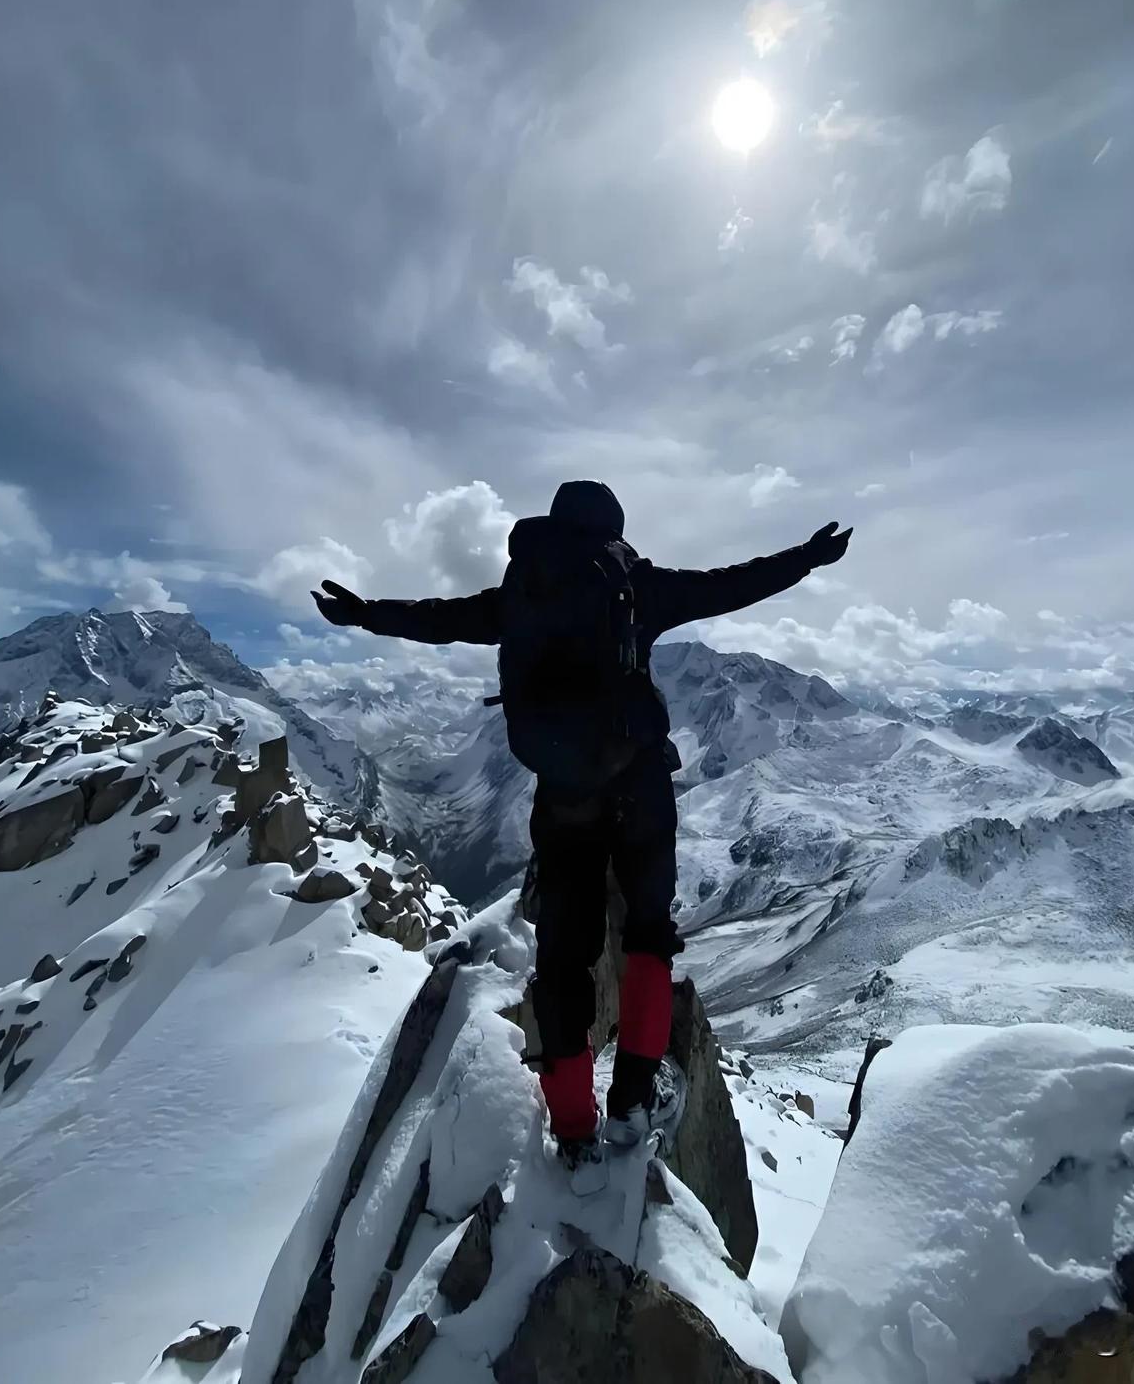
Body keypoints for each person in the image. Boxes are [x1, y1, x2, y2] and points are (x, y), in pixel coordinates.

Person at [312, 480, 851, 1173]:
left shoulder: (522, 591)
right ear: (613, 528)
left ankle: (571, 1127)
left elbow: (441, 617)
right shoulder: (635, 584)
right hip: (638, 784)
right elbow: (728, 585)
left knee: (564, 956)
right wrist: (804, 557)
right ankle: (632, 1105)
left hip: (562, 794)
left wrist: (367, 614)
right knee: (648, 935)